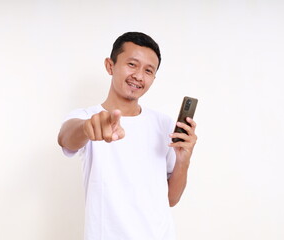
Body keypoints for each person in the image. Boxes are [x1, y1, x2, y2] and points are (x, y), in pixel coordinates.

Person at [58, 32, 197, 240]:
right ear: (110, 65)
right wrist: (88, 128)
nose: (139, 76)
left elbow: (170, 198)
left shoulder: (165, 124)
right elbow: (66, 137)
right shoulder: (86, 117)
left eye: (148, 70)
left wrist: (183, 160)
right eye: (132, 64)